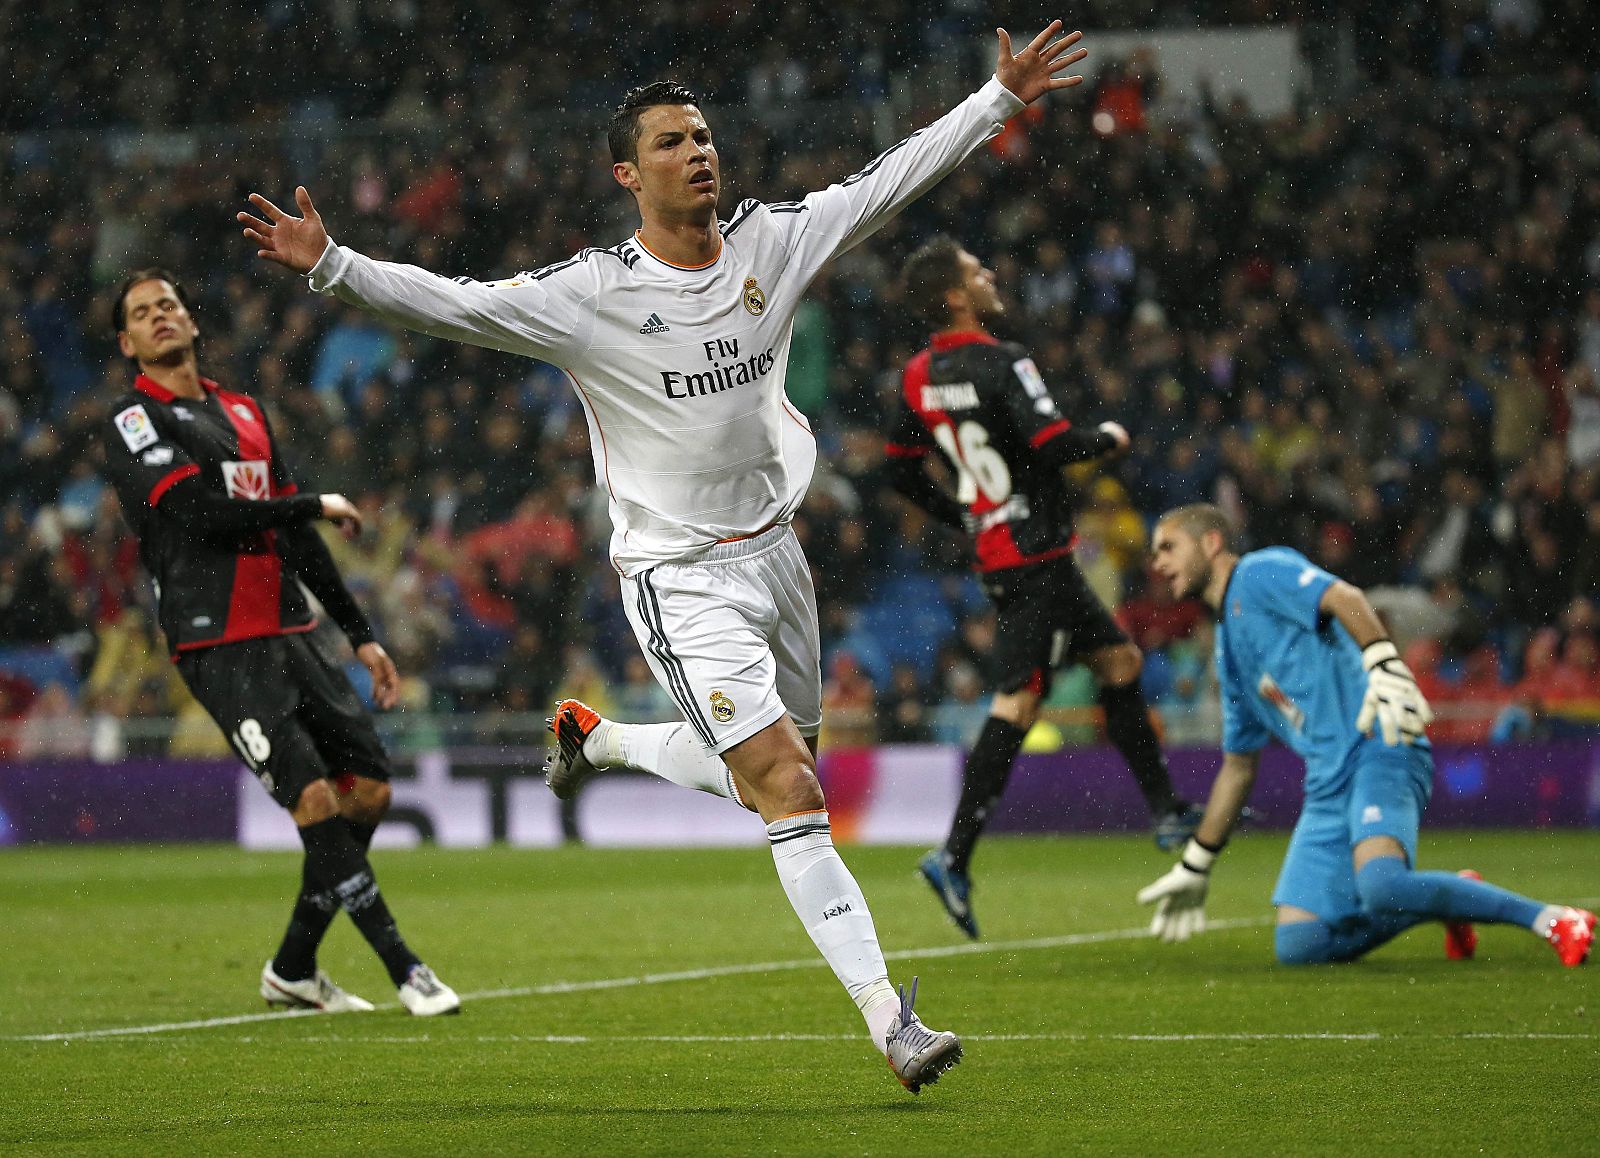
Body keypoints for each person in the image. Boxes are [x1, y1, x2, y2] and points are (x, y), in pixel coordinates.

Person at [239, 21, 1092, 1093]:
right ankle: (892, 1021)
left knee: (777, 777)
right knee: (785, 787)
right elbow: (459, 305)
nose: (700, 152)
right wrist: (336, 268)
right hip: (678, 575)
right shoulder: (592, 294)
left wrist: (997, 99)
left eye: (704, 135)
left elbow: (889, 181)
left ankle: (602, 744)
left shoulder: (771, 244)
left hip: (779, 559)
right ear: (626, 172)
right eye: (673, 142)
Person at [98, 270, 459, 1015]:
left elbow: (288, 532)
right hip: (218, 640)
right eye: (142, 313)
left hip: (291, 629)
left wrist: (360, 636)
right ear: (128, 343)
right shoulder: (136, 421)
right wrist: (314, 502)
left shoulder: (242, 408)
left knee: (372, 792)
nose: (160, 315)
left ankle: (294, 968)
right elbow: (199, 514)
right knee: (314, 797)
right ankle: (404, 967)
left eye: (169, 302)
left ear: (192, 320)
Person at [882, 235, 1198, 940]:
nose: (990, 273)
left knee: (1120, 662)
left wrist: (964, 512)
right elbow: (1054, 443)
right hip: (1035, 557)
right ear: (958, 296)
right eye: (976, 269)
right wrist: (1109, 437)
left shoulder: (916, 376)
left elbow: (899, 467)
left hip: (1010, 551)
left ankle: (1167, 808)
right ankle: (954, 856)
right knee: (1019, 701)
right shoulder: (1005, 361)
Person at [1137, 503, 1594, 967]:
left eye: (1168, 547)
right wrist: (1197, 860)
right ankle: (1450, 897)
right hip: (1327, 783)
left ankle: (1553, 919)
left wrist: (1383, 662)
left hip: (1379, 743)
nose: (1157, 563)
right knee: (1301, 944)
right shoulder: (1227, 652)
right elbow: (1238, 767)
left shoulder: (1258, 573)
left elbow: (1346, 598)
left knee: (1381, 886)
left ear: (1212, 543)